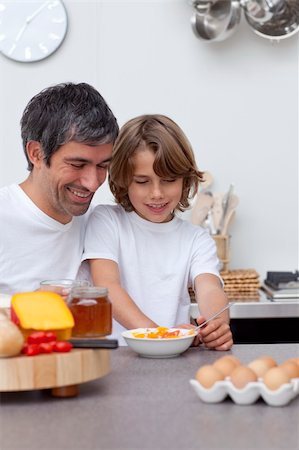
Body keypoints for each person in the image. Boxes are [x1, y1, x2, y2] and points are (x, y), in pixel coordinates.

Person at [82, 114, 233, 350]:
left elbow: (210, 288)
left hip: (173, 359)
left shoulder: (196, 239)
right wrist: (161, 336)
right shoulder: (106, 221)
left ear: (185, 180)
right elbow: (108, 287)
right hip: (117, 359)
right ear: (123, 181)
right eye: (142, 181)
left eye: (169, 180)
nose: (156, 193)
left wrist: (216, 324)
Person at [0, 82, 119, 295]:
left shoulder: (100, 225)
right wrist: (26, 307)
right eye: (77, 165)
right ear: (36, 153)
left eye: (103, 165)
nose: (92, 183)